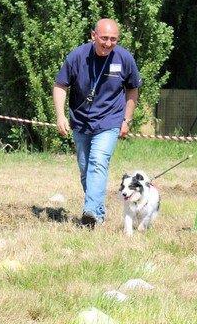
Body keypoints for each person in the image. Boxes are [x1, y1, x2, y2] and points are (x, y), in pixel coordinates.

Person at [53, 18, 142, 227]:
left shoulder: (124, 58)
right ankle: (98, 212)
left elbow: (133, 90)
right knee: (85, 169)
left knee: (97, 163)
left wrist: (126, 120)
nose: (108, 43)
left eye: (113, 39)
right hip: (81, 122)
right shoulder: (77, 56)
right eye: (104, 38)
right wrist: (60, 116)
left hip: (110, 121)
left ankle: (91, 211)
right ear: (94, 36)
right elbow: (60, 86)